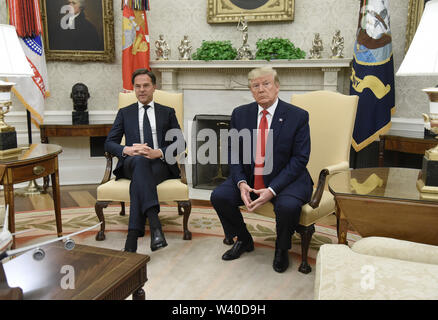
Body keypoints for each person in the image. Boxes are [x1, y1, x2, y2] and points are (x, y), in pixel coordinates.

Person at [210, 67, 313, 273]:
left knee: (287, 207)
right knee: (219, 196)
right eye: (255, 86)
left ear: (277, 87)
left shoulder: (297, 116)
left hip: (288, 179)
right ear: (251, 90)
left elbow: (300, 158)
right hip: (250, 176)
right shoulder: (240, 114)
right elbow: (233, 152)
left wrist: (273, 189)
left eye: (266, 84)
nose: (261, 89)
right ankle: (244, 240)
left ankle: (281, 248)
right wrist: (240, 183)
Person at [105, 69, 184, 253]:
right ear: (133, 89)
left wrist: (159, 152)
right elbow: (109, 143)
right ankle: (155, 225)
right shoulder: (125, 112)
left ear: (154, 87)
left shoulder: (167, 112)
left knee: (139, 182)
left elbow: (180, 143)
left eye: (146, 85)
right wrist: (128, 149)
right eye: (137, 86)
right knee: (139, 162)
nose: (141, 90)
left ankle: (132, 237)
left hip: (160, 164)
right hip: (131, 163)